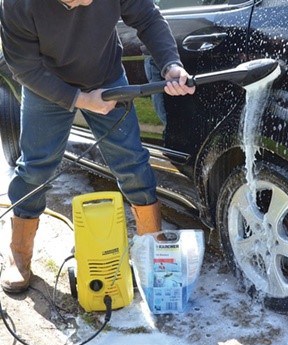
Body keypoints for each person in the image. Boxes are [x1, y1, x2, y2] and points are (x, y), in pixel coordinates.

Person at [0, 0, 195, 294]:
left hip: (107, 77)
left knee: (133, 163)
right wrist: (80, 100)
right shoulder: (17, 4)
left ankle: (153, 245)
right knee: (35, 170)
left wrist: (171, 63)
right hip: (47, 87)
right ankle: (19, 255)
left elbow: (148, 18)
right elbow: (24, 68)